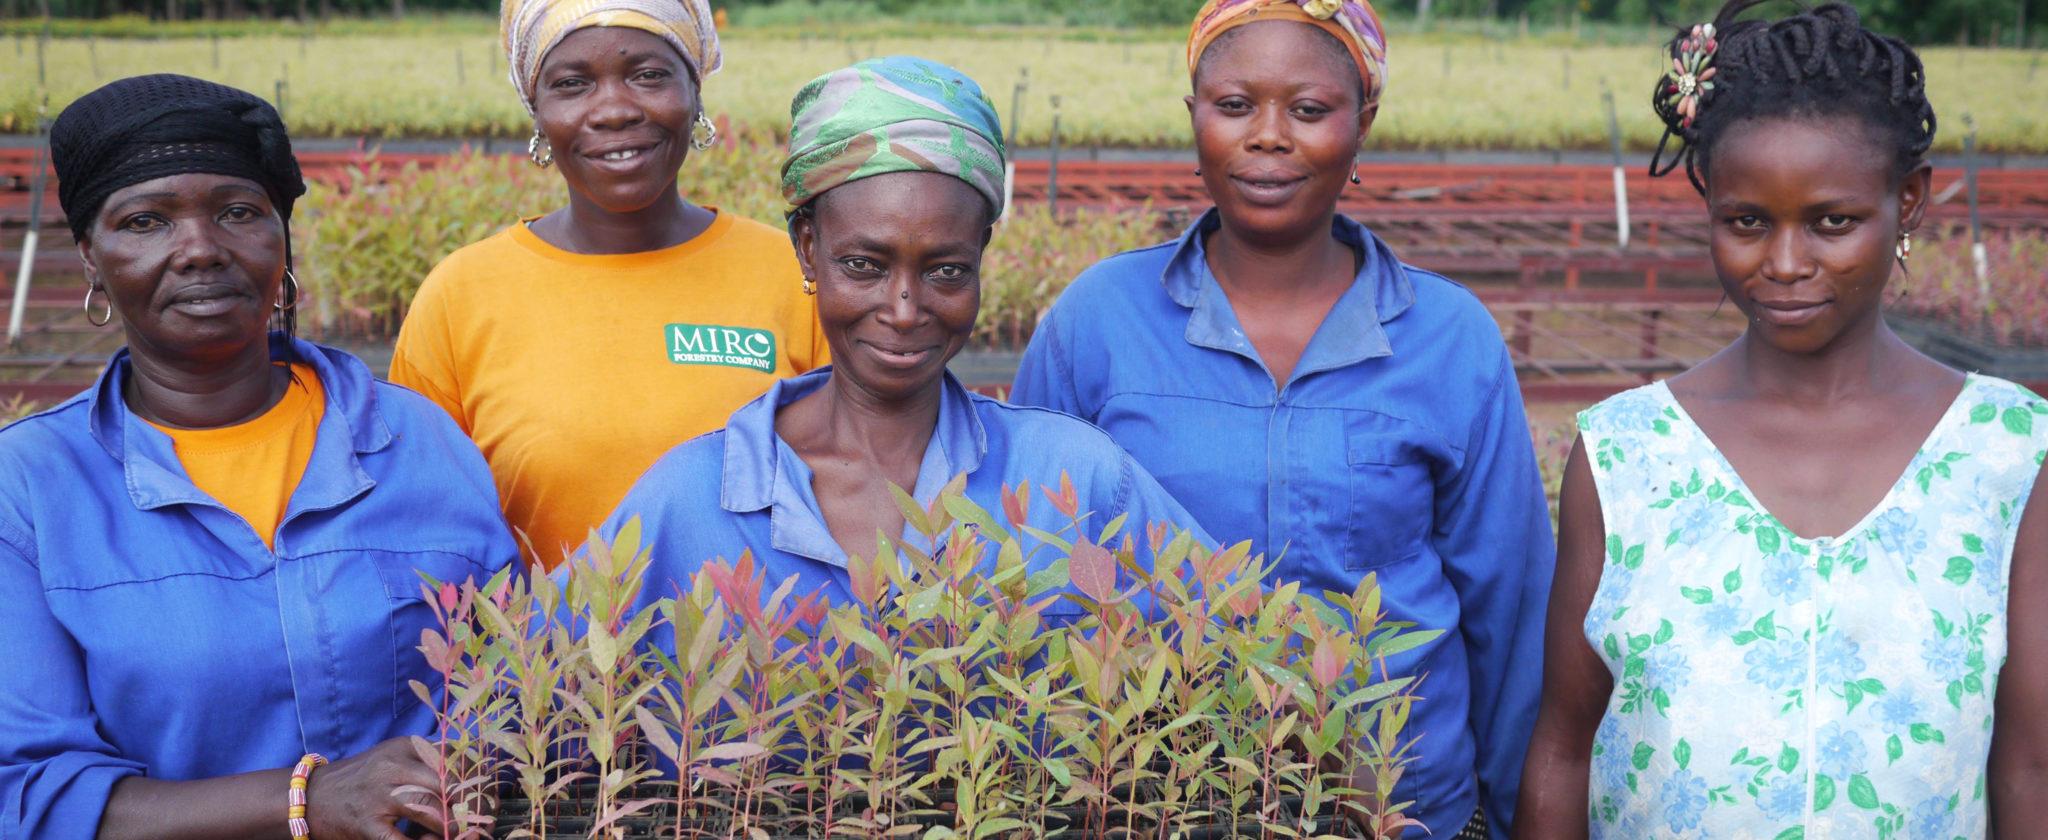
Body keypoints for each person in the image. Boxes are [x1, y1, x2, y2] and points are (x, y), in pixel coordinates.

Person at [1008, 1, 1552, 836]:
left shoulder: (1452, 340)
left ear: (1363, 121)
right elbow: (1038, 580)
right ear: (1193, 114)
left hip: (1394, 810)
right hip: (1161, 803)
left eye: (1308, 109)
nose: (1268, 136)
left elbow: (1509, 610)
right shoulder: (1097, 321)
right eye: (1233, 106)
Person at [1515, 3, 2048, 837]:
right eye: (1747, 223)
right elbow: (1564, 749)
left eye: (1833, 222)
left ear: (1908, 200)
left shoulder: (2009, 457)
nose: (1787, 263)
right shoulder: (1627, 457)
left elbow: (2028, 766)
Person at [0, 75, 519, 839]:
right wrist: (308, 801)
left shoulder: (421, 440)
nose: (200, 249)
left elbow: (514, 700)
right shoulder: (31, 487)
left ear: (283, 237)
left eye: (239, 212)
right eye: (145, 221)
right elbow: (32, 791)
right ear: (90, 258)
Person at [600, 56, 1206, 619]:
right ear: (808, 249)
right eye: (864, 264)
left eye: (946, 270)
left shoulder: (1074, 479)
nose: (905, 307)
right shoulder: (690, 498)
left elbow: (1259, 642)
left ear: (980, 258)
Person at [391, 0, 828, 569]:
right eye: (572, 83)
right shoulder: (460, 296)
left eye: (648, 75)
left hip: (766, 653)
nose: (615, 110)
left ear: (694, 93)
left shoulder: (794, 275)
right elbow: (420, 527)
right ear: (537, 112)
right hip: (542, 657)